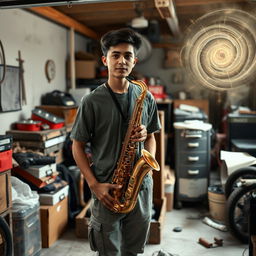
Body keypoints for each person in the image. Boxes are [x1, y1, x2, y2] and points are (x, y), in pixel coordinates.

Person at [70, 28, 161, 256]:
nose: (122, 61)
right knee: (108, 251)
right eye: (115, 55)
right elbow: (77, 146)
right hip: (106, 189)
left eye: (128, 56)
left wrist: (147, 168)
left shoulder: (145, 96)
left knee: (133, 250)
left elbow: (151, 137)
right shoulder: (91, 101)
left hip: (139, 188)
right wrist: (93, 184)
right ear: (105, 60)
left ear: (134, 61)